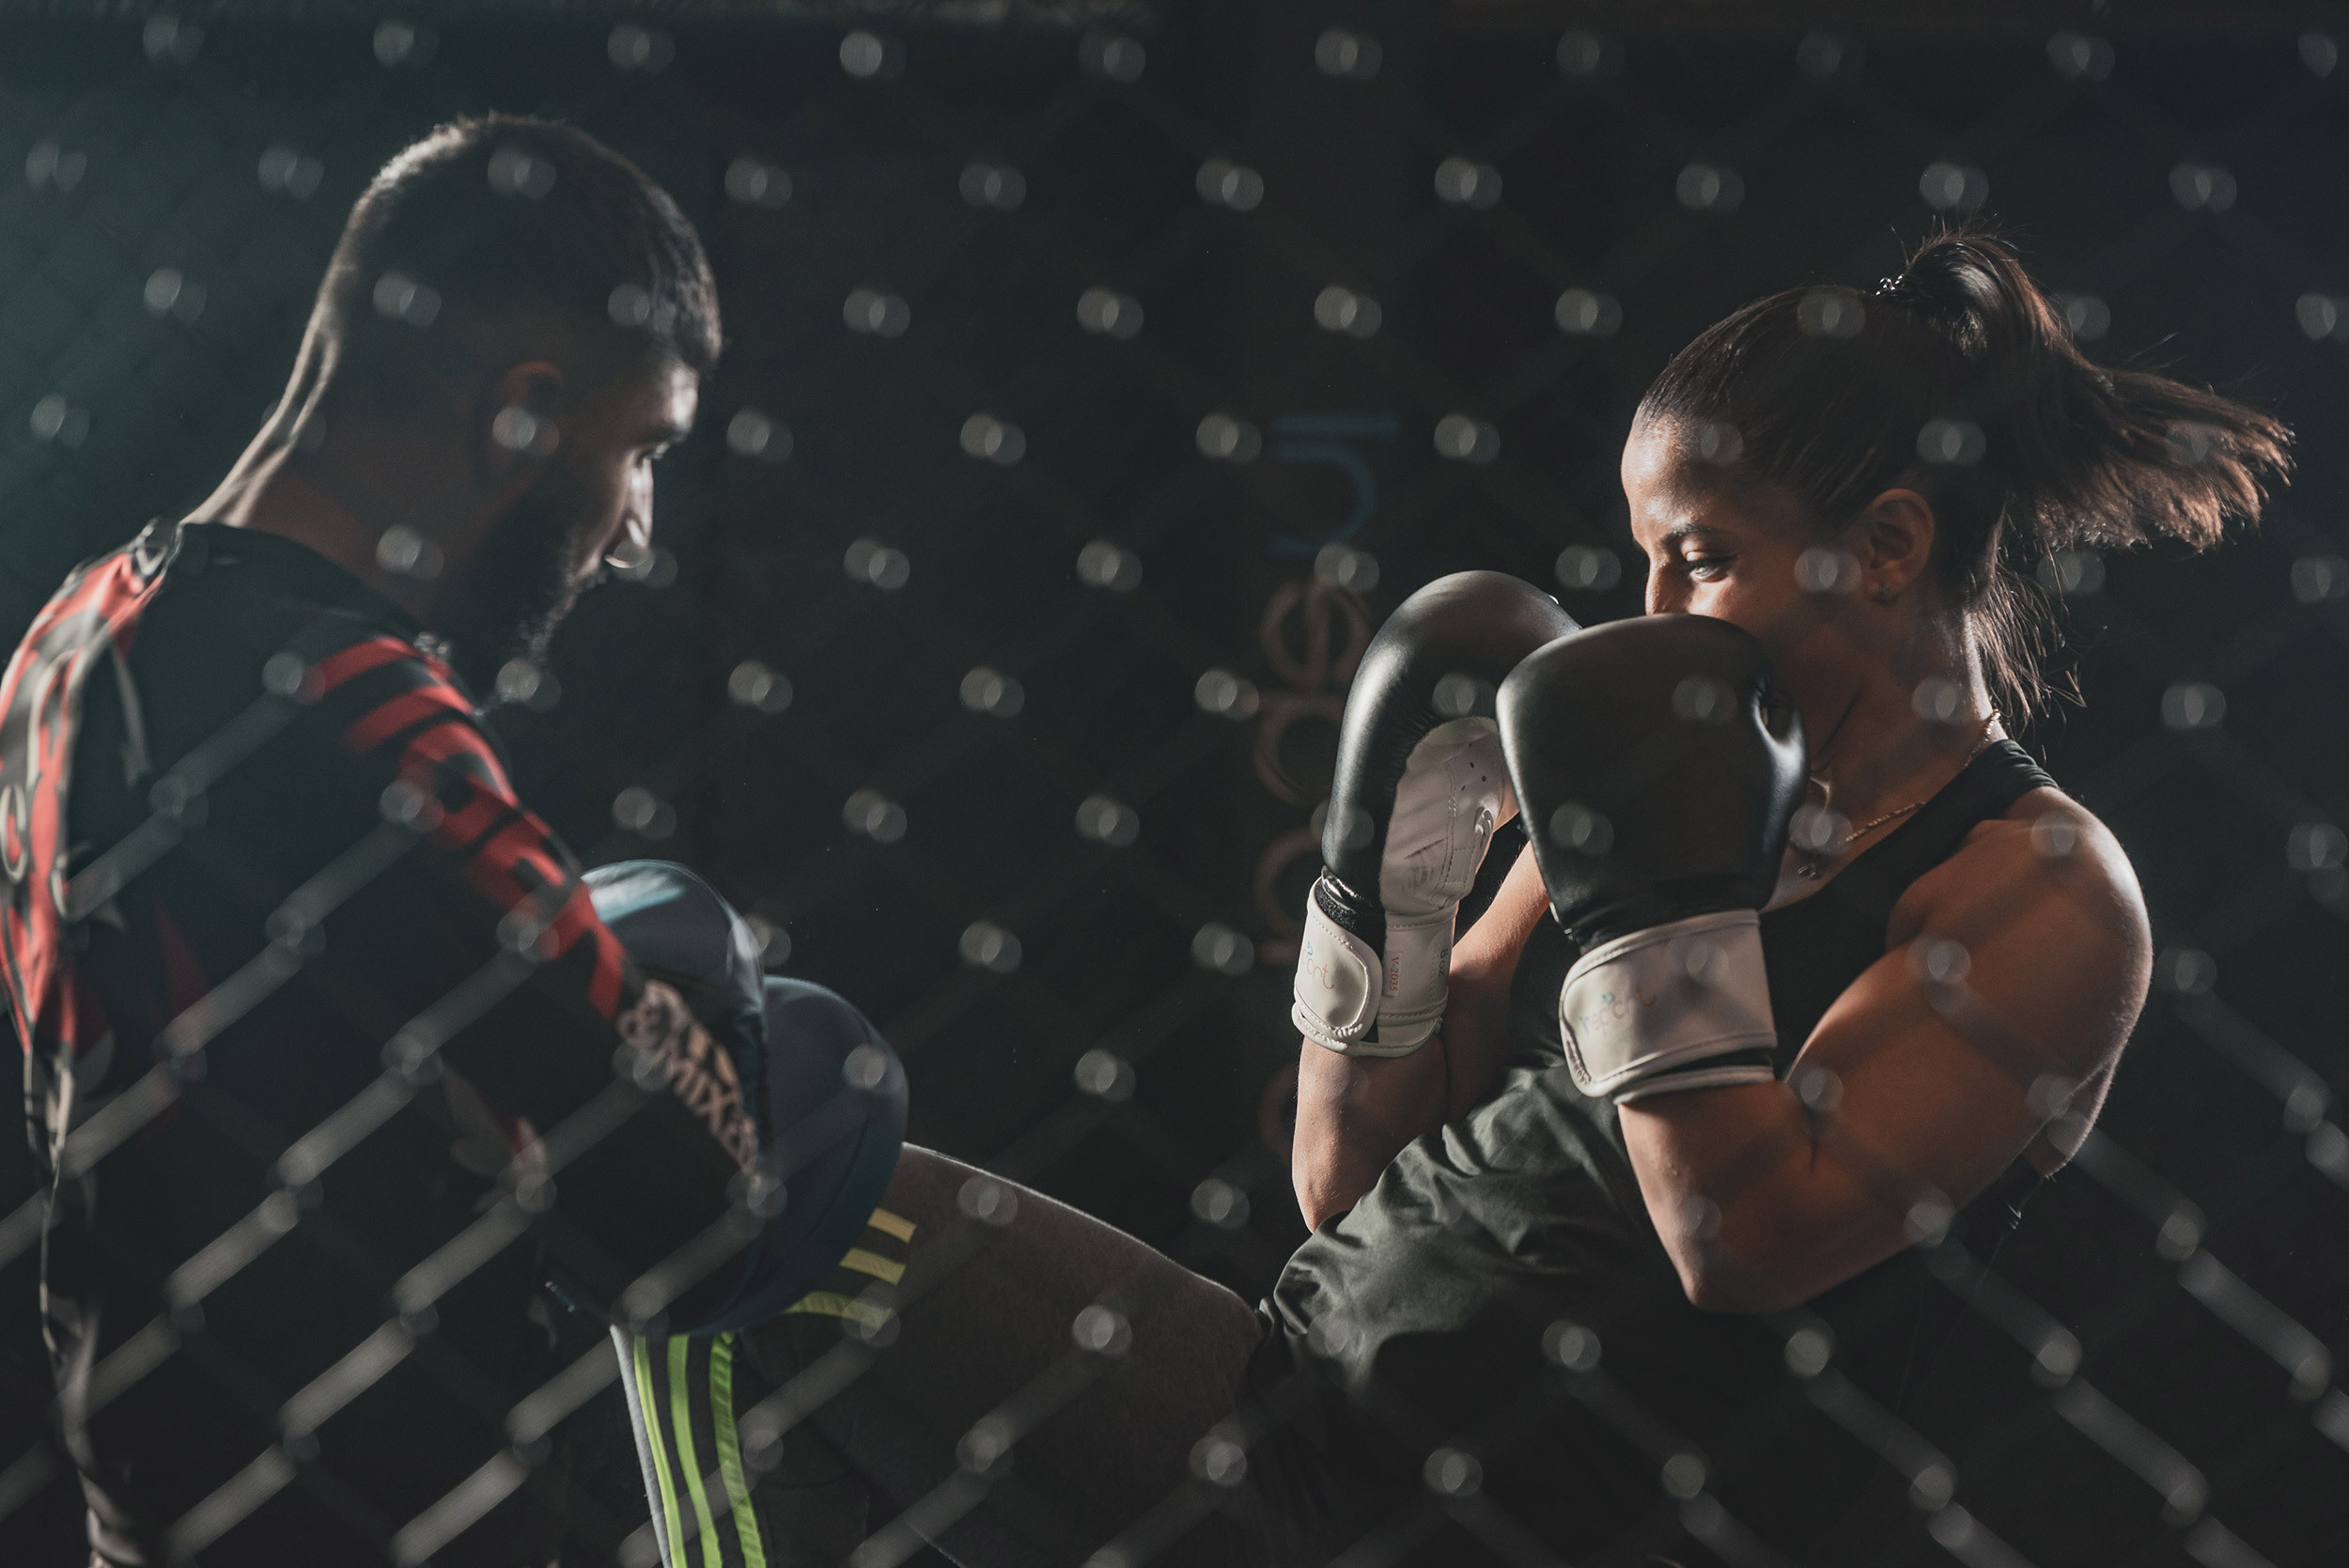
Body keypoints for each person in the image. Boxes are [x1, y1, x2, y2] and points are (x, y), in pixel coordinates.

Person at [687, 226, 2286, 1568]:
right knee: (743, 1195)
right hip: (1280, 1404)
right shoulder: (1656, 766)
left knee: (753, 1212)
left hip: (1526, 1521)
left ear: (1885, 546)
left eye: (1700, 557)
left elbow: (1746, 1239)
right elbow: (1343, 1176)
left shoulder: (2041, 890)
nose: (1651, 608)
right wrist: (1385, 881)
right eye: (1643, 557)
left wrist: (1656, 909)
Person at [1, 116, 897, 1566]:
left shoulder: (73, 628)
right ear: (525, 416)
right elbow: (691, 1207)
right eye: (643, 449)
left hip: (155, 1507)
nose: (638, 530)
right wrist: (709, 1031)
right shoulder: (358, 703)